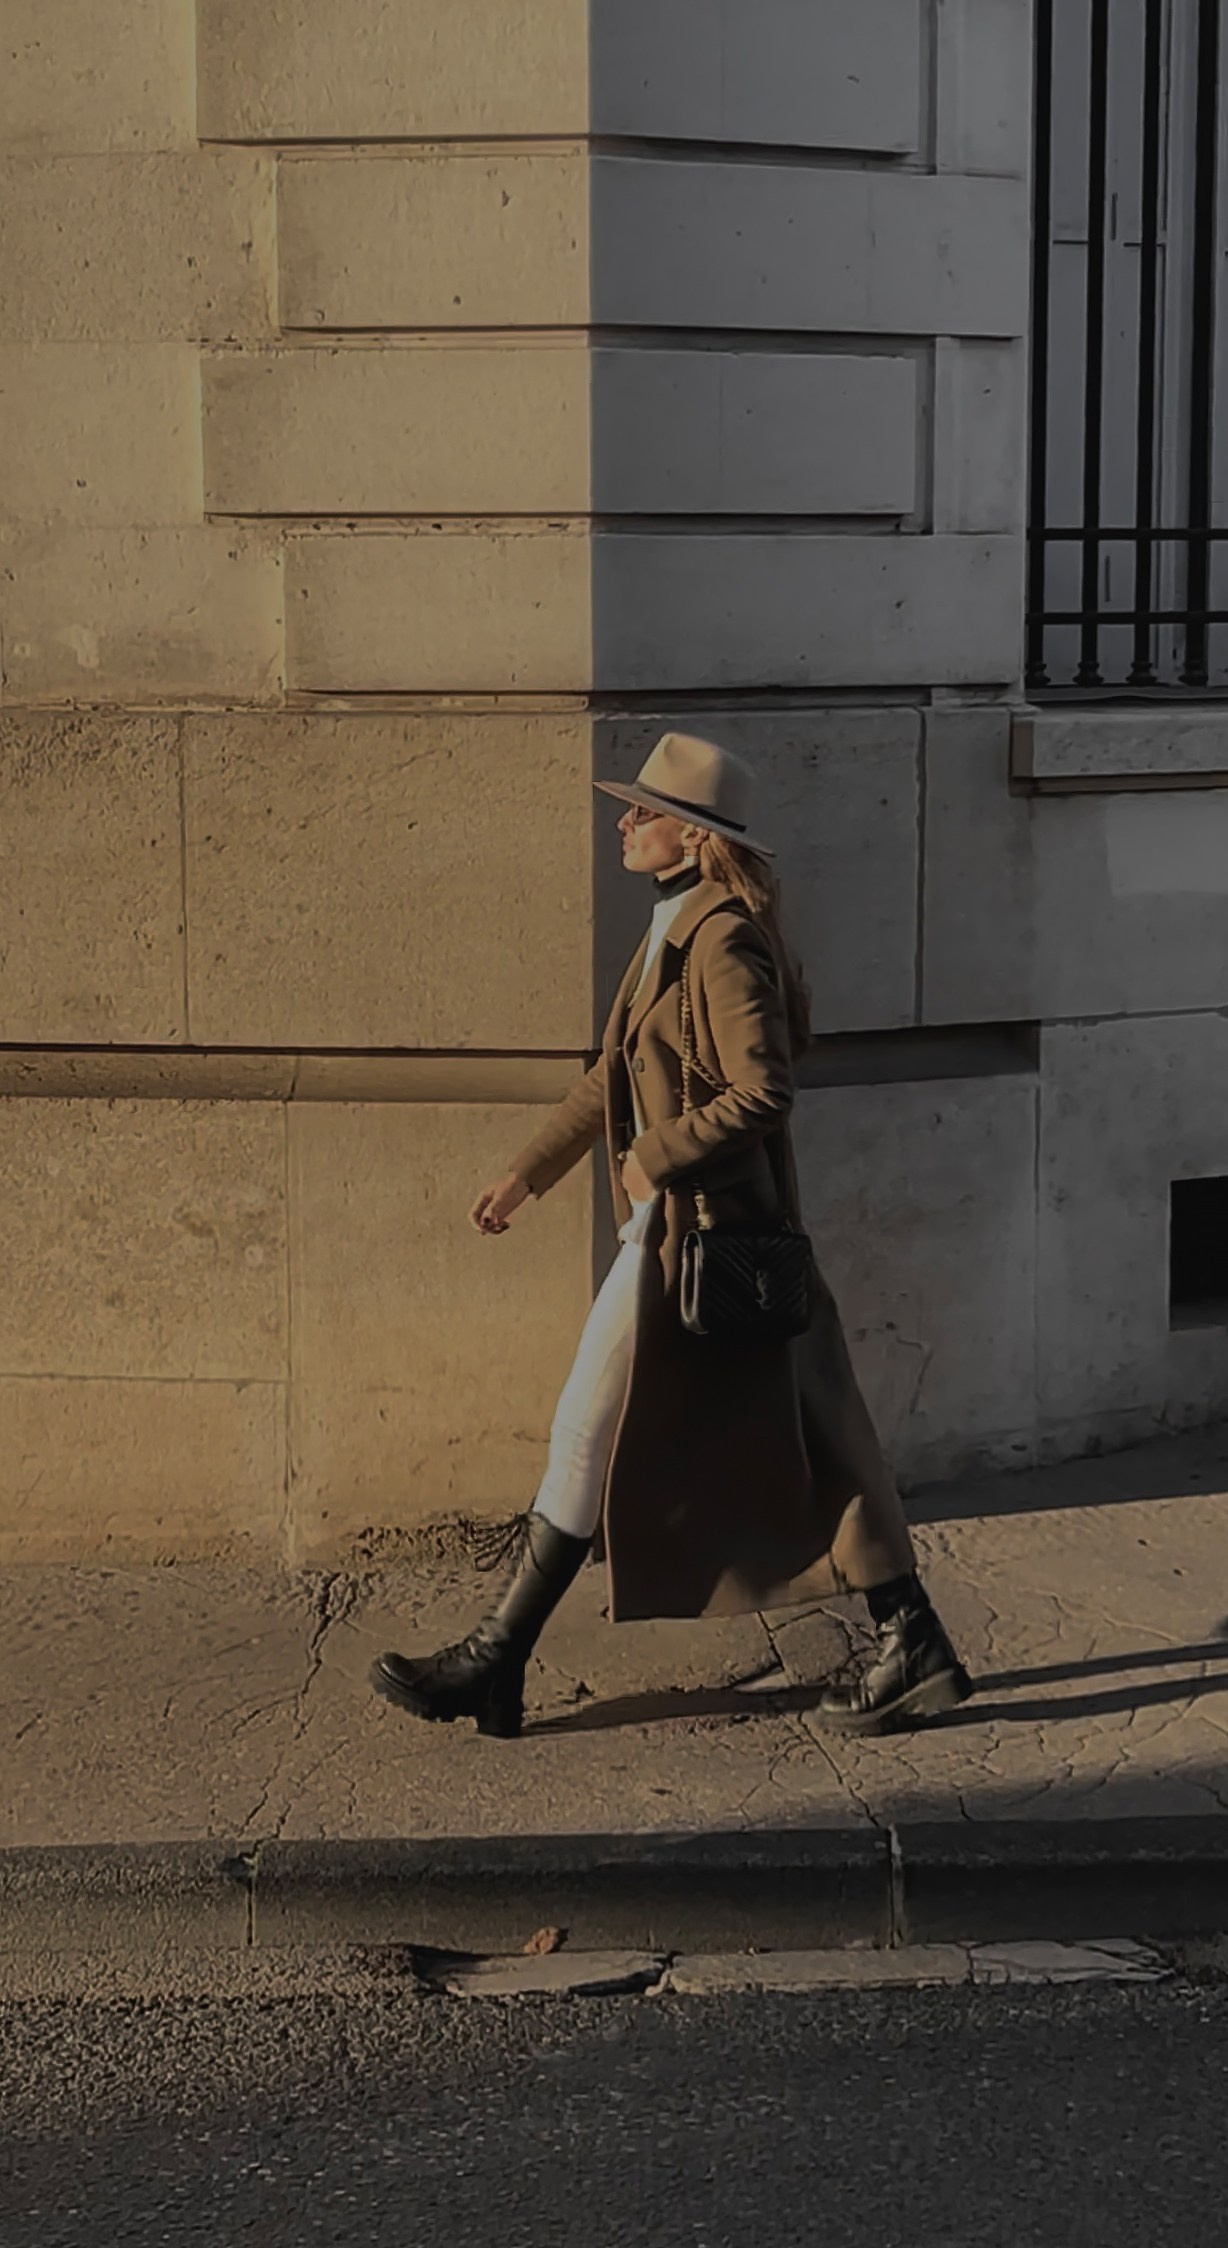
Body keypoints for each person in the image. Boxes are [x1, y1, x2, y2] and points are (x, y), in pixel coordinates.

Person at [372, 733, 972, 1740]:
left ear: (693, 838)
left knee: (730, 1436)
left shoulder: (721, 939)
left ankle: (494, 1662)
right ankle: (908, 1639)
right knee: (789, 1440)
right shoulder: (673, 930)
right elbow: (610, 1076)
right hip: (677, 1229)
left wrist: (654, 1156)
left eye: (644, 811)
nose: (624, 822)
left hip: (710, 1232)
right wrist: (526, 1173)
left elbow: (763, 1090)